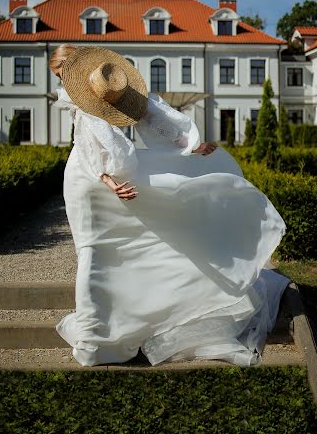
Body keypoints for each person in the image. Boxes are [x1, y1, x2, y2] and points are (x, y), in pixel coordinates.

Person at [50, 44, 290, 367]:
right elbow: (128, 127)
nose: (60, 81)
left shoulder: (99, 92)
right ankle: (102, 332)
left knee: (99, 250)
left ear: (68, 72)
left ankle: (99, 337)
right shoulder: (87, 95)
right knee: (100, 249)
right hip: (92, 178)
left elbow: (142, 121)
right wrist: (187, 145)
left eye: (60, 75)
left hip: (93, 177)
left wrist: (190, 145)